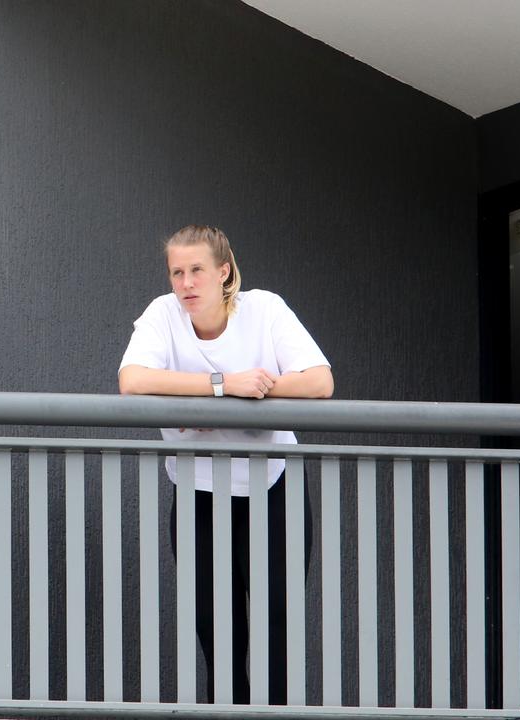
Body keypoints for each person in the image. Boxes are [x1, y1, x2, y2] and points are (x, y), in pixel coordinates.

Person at [118, 224, 332, 704]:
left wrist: (250, 392)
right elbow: (132, 380)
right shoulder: (162, 315)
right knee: (217, 626)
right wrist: (220, 386)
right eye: (177, 272)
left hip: (274, 485)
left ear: (224, 271)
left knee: (279, 621)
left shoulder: (264, 309)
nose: (186, 283)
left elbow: (319, 381)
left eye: (197, 270)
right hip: (198, 490)